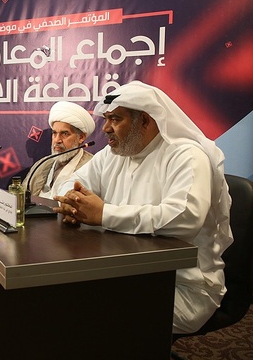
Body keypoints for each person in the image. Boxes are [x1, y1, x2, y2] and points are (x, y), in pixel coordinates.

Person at [53, 81, 233, 334]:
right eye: (106, 119)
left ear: (145, 121)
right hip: (124, 272)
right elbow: (69, 184)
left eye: (115, 119)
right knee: (61, 295)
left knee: (84, 312)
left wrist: (104, 214)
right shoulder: (113, 154)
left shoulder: (186, 155)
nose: (105, 128)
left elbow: (185, 217)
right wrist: (72, 203)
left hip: (179, 285)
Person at [22, 101, 95, 199]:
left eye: (65, 134)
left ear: (81, 137)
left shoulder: (91, 166)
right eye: (54, 133)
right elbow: (22, 196)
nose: (57, 140)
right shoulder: (42, 163)